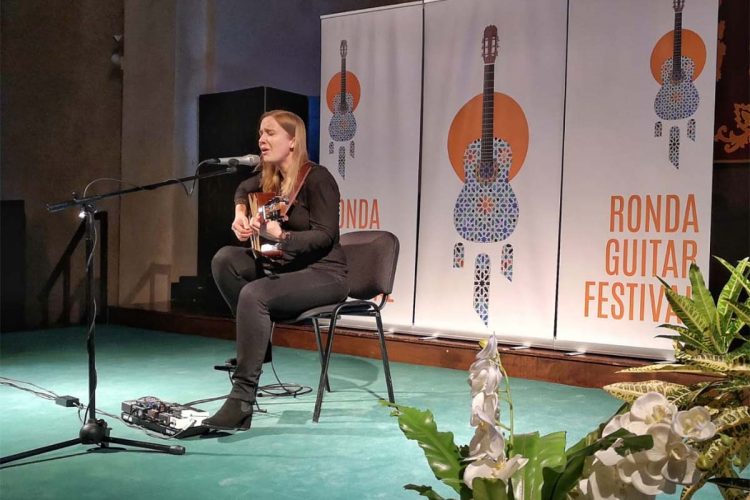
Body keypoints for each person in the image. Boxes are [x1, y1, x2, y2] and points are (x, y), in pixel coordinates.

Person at [205, 110, 349, 430]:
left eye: (270, 133)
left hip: (325, 274)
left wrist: (281, 235)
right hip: (287, 268)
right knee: (225, 260)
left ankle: (241, 401)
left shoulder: (318, 178)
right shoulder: (273, 177)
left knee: (254, 294)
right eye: (260, 133)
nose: (261, 139)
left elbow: (326, 235)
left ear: (293, 140)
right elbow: (243, 188)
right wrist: (240, 214)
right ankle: (260, 348)